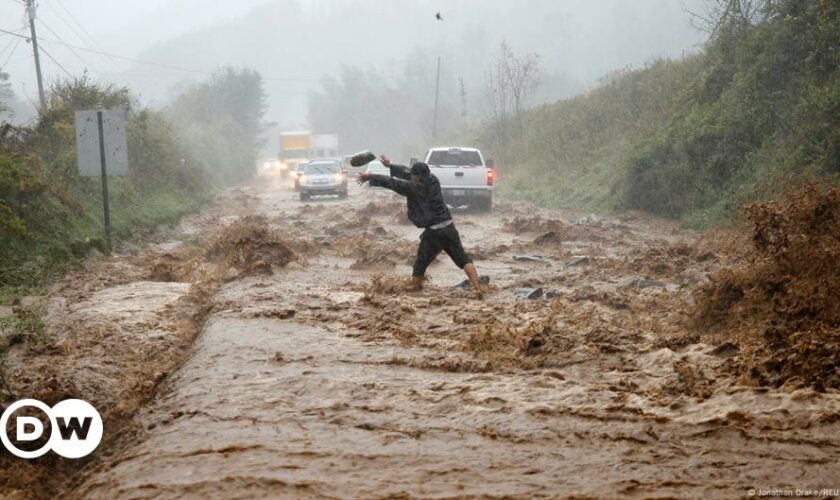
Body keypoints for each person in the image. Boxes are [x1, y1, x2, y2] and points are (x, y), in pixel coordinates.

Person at [356, 155, 484, 293]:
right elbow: (406, 172)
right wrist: (390, 166)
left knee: (420, 264)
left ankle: (414, 289)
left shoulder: (415, 187)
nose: (410, 177)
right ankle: (478, 289)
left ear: (417, 177)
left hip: (434, 232)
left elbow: (392, 182)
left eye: (412, 176)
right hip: (448, 227)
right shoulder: (433, 179)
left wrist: (370, 177)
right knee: (463, 259)